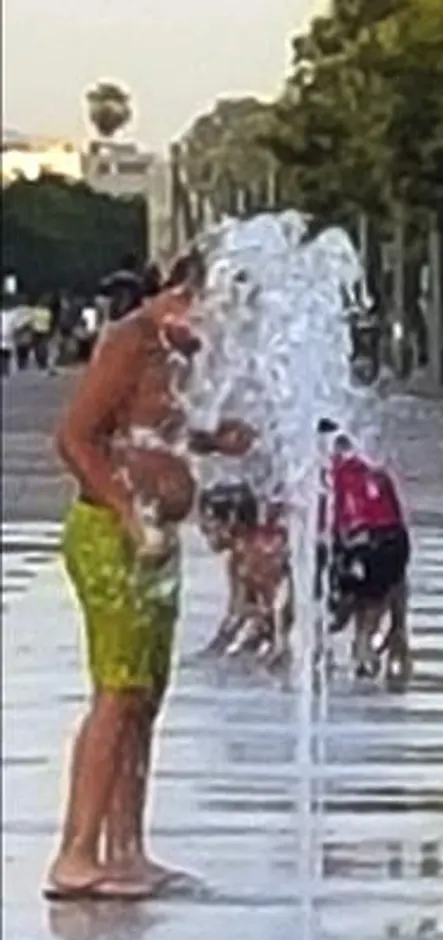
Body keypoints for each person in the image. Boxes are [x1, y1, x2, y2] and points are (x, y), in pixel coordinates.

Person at [44, 248, 255, 901]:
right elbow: (75, 438)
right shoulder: (130, 339)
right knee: (117, 690)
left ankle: (127, 849)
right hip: (113, 536)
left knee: (144, 697)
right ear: (185, 294)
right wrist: (128, 515)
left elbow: (152, 434)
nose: (226, 331)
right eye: (221, 312)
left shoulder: (179, 354)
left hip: (155, 540)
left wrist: (213, 440)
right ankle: (75, 854)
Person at [320, 418, 412, 682]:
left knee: (331, 615)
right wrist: (399, 624)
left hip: (359, 544)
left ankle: (336, 646)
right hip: (390, 545)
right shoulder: (375, 472)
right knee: (368, 606)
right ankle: (365, 646)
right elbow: (398, 537)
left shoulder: (323, 473)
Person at [197, 482, 291, 665]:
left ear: (232, 520)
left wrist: (278, 644)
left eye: (209, 522)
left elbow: (279, 604)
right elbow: (237, 612)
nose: (203, 530)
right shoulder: (239, 557)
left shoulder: (257, 552)